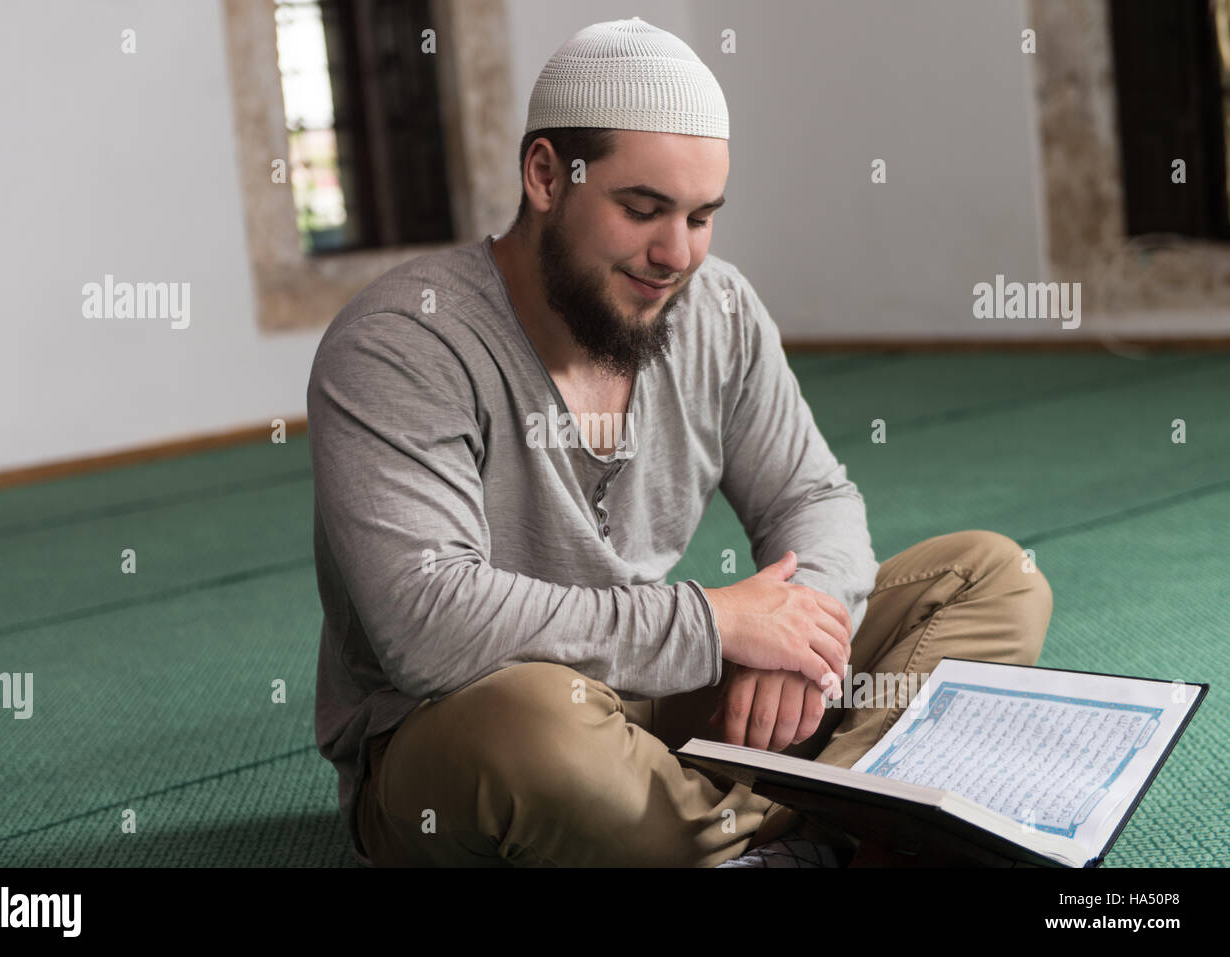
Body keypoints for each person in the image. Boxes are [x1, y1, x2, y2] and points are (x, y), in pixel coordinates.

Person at [307, 17, 1053, 867]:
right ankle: (852, 825)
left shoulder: (717, 309)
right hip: (461, 729)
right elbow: (428, 623)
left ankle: (771, 833)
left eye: (703, 216)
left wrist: (802, 640)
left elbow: (811, 498)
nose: (676, 254)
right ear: (545, 174)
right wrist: (713, 622)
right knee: (534, 731)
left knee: (990, 577)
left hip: (650, 696)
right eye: (643, 209)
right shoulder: (403, 341)